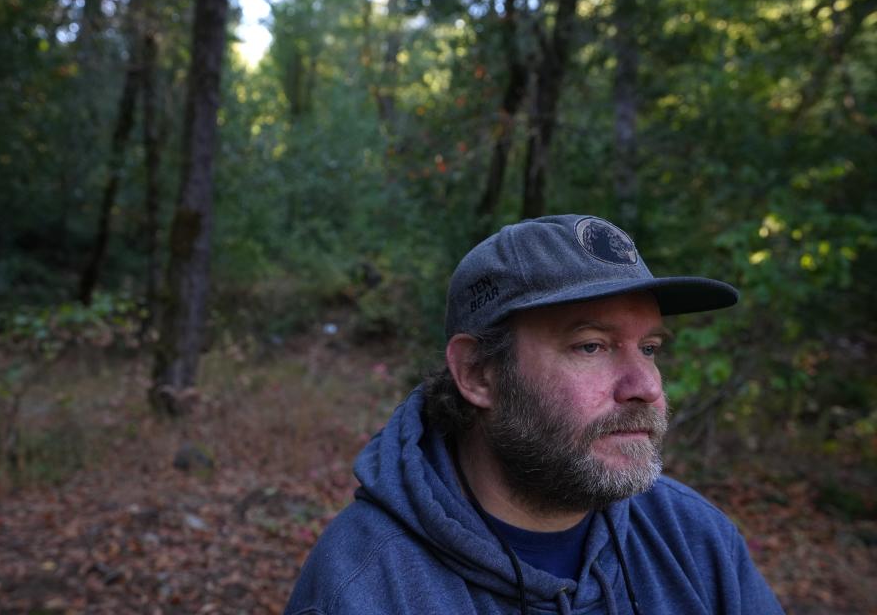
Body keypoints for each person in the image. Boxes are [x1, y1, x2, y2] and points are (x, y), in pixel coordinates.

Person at [285, 215, 784, 615]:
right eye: (591, 346)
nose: (647, 387)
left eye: (650, 348)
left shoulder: (694, 539)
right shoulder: (364, 588)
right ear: (478, 374)